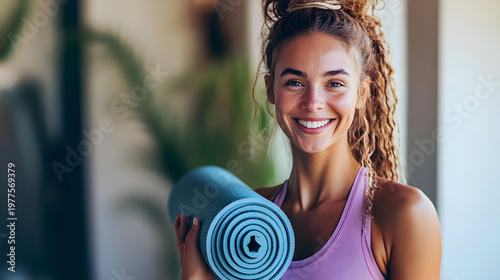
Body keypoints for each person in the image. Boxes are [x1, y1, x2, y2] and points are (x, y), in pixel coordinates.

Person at [174, 0, 442, 279]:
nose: (313, 102)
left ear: (362, 93)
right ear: (270, 90)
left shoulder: (403, 214)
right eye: (295, 82)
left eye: (334, 83)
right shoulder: (247, 216)